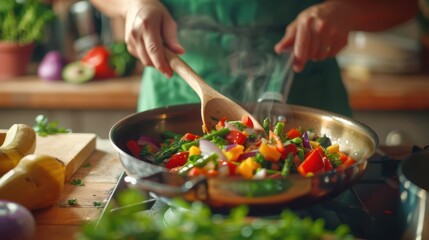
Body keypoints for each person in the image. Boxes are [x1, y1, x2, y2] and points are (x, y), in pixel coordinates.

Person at [90, 0, 417, 117]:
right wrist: (132, 5)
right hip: (175, 94)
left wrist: (348, 9)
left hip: (309, 103)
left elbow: (406, 4)